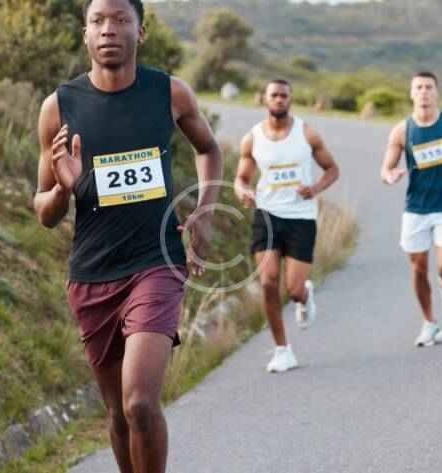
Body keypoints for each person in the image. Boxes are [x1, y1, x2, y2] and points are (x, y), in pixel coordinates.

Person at [33, 0, 223, 471]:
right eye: (97, 21)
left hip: (156, 262)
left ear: (140, 32)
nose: (108, 29)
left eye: (120, 20)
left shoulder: (169, 93)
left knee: (139, 401)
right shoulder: (59, 107)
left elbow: (208, 148)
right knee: (118, 412)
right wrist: (63, 188)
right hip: (92, 273)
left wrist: (205, 209)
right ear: (85, 33)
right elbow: (43, 212)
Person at [234, 79, 339, 373]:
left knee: (293, 289)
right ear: (264, 99)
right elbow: (241, 178)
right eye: (274, 95)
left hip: (301, 217)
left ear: (290, 100)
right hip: (267, 214)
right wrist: (242, 190)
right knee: (268, 282)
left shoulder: (307, 133)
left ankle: (304, 296)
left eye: (284, 95)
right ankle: (282, 350)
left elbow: (332, 169)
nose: (279, 99)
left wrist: (315, 188)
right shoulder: (253, 138)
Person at [380, 70, 442, 347]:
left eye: (428, 87)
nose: (424, 92)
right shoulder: (401, 131)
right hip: (416, 208)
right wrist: (390, 176)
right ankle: (430, 324)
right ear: (411, 93)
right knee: (417, 268)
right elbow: (386, 168)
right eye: (418, 88)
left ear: (436, 92)